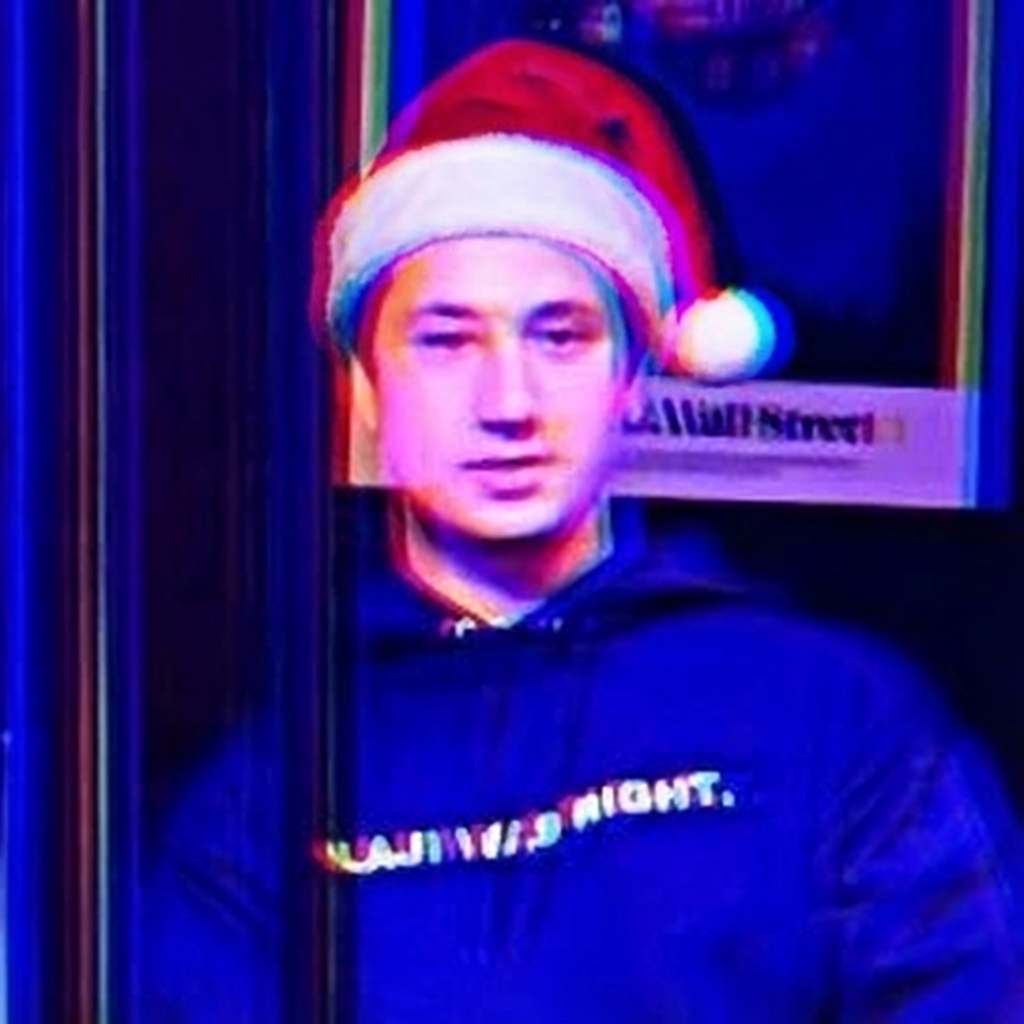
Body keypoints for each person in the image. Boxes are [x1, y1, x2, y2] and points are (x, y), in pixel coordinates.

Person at [143, 38, 1024, 1022]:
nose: (508, 402)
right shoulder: (269, 789)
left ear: (630, 381)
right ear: (366, 388)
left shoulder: (833, 713)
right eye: (447, 340)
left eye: (559, 336)